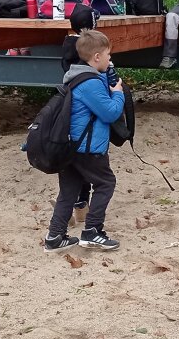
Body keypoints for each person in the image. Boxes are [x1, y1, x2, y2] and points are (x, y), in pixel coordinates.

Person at [44, 29, 125, 252]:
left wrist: (108, 80)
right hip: (88, 147)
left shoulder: (77, 77)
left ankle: (54, 237)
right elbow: (110, 112)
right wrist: (118, 92)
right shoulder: (90, 83)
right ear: (97, 57)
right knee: (105, 183)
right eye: (108, 54)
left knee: (69, 191)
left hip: (71, 146)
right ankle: (92, 231)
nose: (110, 58)